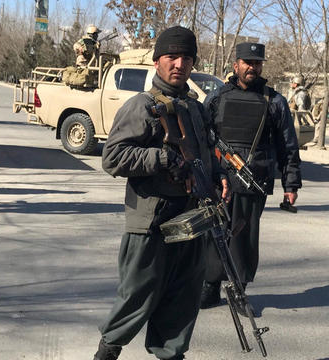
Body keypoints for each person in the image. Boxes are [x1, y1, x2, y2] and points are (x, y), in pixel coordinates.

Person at [93, 26, 229, 360]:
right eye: (172, 56)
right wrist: (162, 158)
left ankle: (171, 354)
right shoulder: (142, 105)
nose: (179, 63)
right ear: (157, 62)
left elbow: (205, 151)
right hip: (151, 222)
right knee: (137, 297)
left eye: (186, 57)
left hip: (191, 219)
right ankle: (106, 353)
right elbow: (113, 158)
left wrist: (219, 174)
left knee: (183, 301)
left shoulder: (195, 109)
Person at [199, 42, 302, 309]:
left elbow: (287, 145)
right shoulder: (217, 97)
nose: (252, 67)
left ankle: (238, 291)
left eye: (257, 63)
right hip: (220, 180)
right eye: (247, 62)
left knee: (244, 239)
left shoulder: (274, 101)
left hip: (253, 181)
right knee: (214, 234)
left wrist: (291, 183)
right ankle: (210, 287)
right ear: (236, 65)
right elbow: (202, 139)